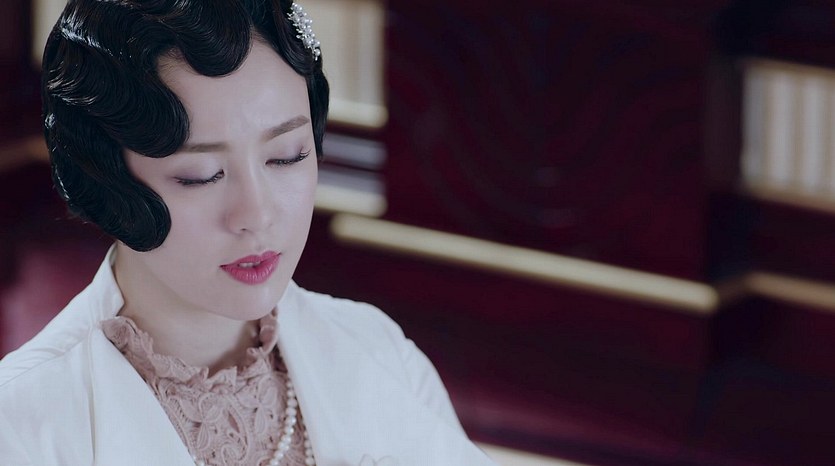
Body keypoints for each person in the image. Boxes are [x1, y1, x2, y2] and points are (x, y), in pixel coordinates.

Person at [0, 0, 496, 464]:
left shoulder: (376, 350)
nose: (257, 215)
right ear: (106, 180)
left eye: (287, 156)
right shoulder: (23, 426)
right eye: (201, 176)